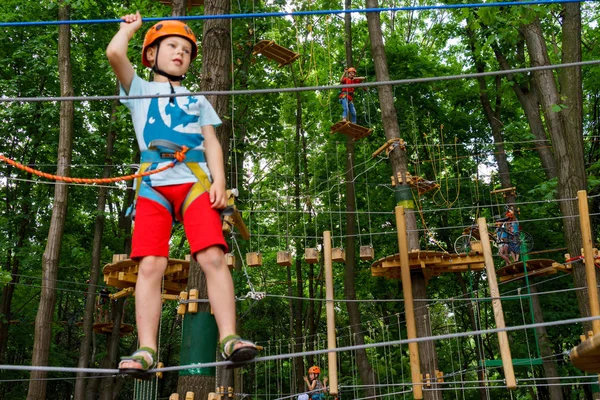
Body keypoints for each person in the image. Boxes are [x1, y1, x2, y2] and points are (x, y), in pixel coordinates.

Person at [106, 12, 257, 377]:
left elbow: (212, 143)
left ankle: (230, 338)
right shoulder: (139, 90)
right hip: (155, 184)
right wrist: (130, 29)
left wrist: (219, 181)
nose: (180, 53)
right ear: (151, 54)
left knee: (213, 258)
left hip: (193, 181)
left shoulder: (197, 99)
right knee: (151, 265)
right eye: (171, 46)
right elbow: (114, 54)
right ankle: (146, 349)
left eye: (187, 50)